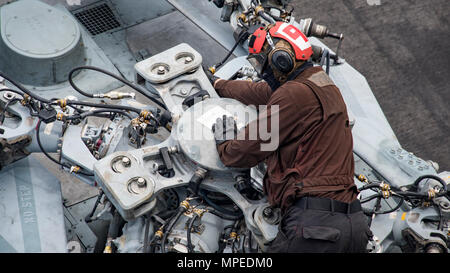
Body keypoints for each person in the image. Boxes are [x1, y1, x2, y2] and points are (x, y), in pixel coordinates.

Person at [209, 22, 371, 252]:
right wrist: (218, 84)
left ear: (280, 60)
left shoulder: (293, 94)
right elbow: (260, 92)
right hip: (353, 226)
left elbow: (243, 152)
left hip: (315, 228)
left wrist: (225, 142)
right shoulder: (319, 84)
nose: (263, 73)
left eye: (264, 64)